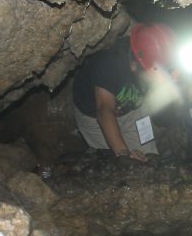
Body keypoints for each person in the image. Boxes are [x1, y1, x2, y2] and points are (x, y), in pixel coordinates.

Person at [72, 23, 175, 162]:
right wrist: (123, 153)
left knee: (149, 158)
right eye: (154, 73)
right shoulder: (109, 63)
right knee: (114, 165)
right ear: (134, 65)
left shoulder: (163, 61)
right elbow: (104, 110)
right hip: (94, 116)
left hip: (132, 110)